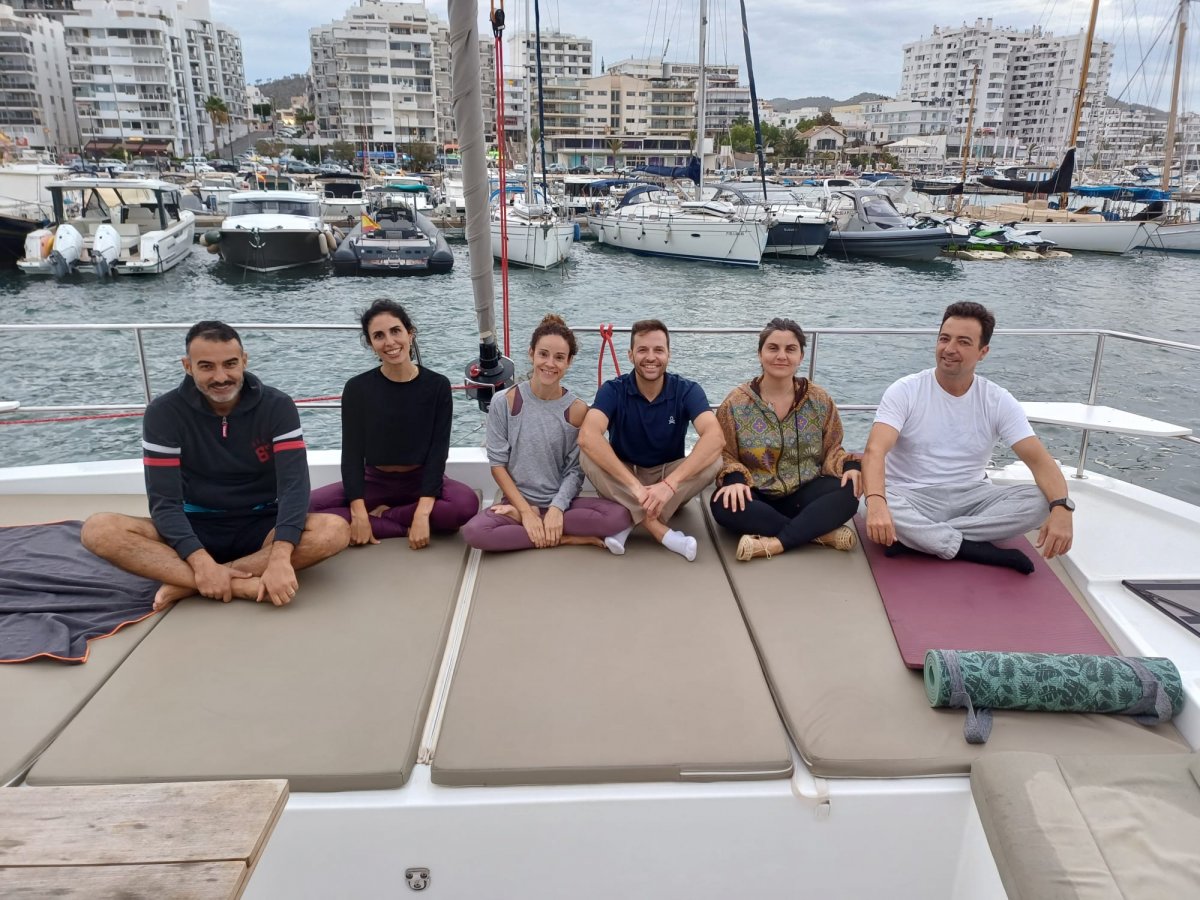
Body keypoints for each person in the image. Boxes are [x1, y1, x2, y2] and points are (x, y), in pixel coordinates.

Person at [80, 321, 350, 611]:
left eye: (230, 364)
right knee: (99, 529)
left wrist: (281, 555)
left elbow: (294, 488)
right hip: (194, 523)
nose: (221, 377)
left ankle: (191, 583)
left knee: (333, 530)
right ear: (187, 366)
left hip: (262, 524)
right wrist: (198, 558)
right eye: (206, 366)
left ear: (244, 361)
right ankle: (232, 583)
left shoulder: (277, 406)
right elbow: (165, 502)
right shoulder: (163, 413)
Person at [862, 301, 1074, 574]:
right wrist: (878, 502)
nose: (949, 349)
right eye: (944, 339)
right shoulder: (905, 391)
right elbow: (875, 451)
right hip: (912, 494)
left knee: (1042, 501)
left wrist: (1063, 509)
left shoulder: (997, 400)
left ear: (983, 352)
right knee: (869, 504)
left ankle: (920, 540)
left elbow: (1040, 461)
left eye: (963, 342)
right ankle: (972, 548)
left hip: (973, 497)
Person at [309, 300, 478, 548]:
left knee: (465, 506)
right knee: (305, 508)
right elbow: (352, 454)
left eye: (395, 331)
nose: (389, 342)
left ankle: (387, 517)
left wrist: (422, 511)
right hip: (374, 481)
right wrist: (357, 510)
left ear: (410, 333)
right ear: (370, 343)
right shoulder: (357, 389)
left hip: (419, 480)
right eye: (379, 336)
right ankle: (395, 526)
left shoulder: (437, 385)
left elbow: (437, 452)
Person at [462, 315, 633, 552]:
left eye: (559, 357)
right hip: (516, 502)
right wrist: (524, 512)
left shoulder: (577, 410)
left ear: (569, 362)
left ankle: (541, 527)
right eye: (543, 354)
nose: (550, 363)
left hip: (561, 503)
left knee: (621, 517)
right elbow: (498, 465)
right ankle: (564, 538)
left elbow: (575, 470)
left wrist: (556, 509)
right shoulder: (504, 402)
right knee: (474, 533)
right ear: (532, 353)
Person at [710, 318, 862, 561]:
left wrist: (851, 466)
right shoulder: (736, 403)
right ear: (760, 354)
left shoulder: (819, 400)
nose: (781, 356)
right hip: (756, 493)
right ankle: (817, 533)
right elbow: (723, 452)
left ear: (801, 356)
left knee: (849, 492)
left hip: (804, 493)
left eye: (790, 349)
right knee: (722, 504)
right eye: (773, 348)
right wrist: (735, 479)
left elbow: (833, 448)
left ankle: (776, 542)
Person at [578, 319, 724, 561]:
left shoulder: (687, 390)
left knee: (714, 460)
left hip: (668, 478)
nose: (651, 357)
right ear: (630, 355)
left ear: (668, 354)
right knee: (586, 453)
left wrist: (668, 486)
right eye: (643, 350)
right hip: (624, 476)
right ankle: (660, 531)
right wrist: (635, 487)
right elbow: (587, 435)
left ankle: (627, 519)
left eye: (658, 350)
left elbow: (715, 437)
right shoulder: (613, 390)